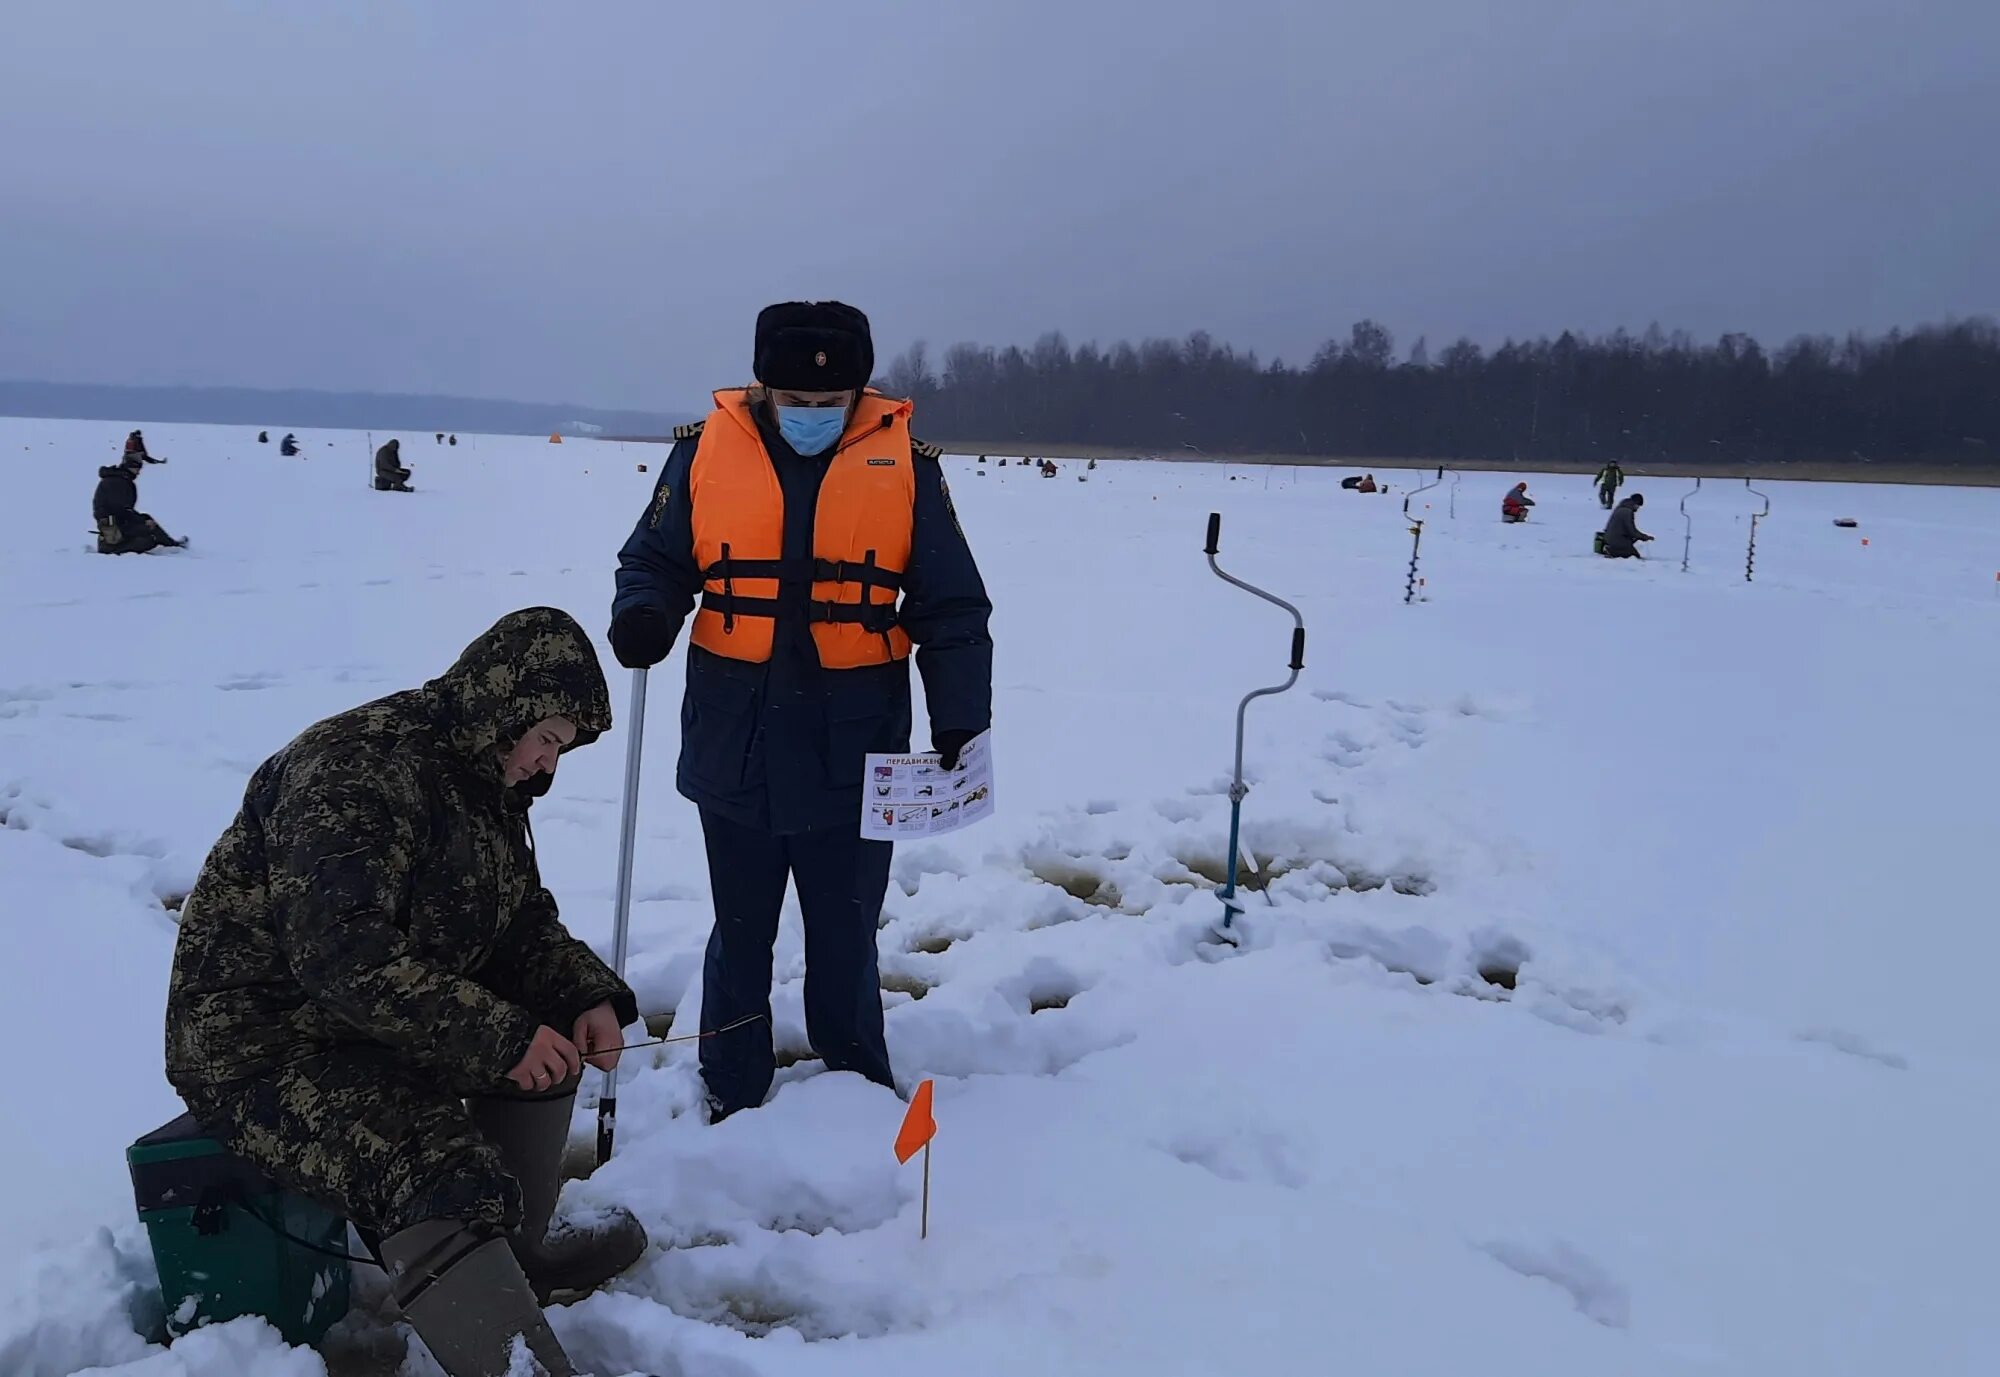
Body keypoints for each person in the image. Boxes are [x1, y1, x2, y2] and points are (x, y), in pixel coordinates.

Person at [165, 608, 645, 1377]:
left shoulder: (485, 781)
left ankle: (513, 1260)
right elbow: (341, 956)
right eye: (548, 739)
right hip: (264, 1044)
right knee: (430, 1160)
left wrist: (583, 993)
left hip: (368, 1024)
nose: (548, 765)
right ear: (505, 708)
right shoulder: (356, 770)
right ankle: (510, 1360)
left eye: (562, 748)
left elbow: (518, 923)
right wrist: (498, 1036)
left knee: (541, 1032)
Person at [609, 301, 993, 1121]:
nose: (813, 416)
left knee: (846, 928)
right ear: (762, 387)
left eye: (831, 403)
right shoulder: (700, 453)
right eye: (795, 401)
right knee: (741, 930)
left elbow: (952, 605)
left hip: (857, 739)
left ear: (859, 392)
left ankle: (853, 1077)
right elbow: (652, 556)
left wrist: (959, 714)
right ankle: (731, 1083)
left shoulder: (909, 465)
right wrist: (645, 610)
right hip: (734, 731)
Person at [93, 451, 185, 553]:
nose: (139, 472)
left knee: (146, 520)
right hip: (115, 524)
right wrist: (142, 521)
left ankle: (170, 545)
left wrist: (142, 520)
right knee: (149, 535)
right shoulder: (119, 482)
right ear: (129, 466)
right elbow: (122, 509)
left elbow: (124, 509)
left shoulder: (119, 479)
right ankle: (115, 549)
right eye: (137, 468)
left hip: (116, 522)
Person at [1600, 492, 1654, 558]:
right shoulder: (1627, 512)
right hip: (1616, 540)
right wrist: (1645, 537)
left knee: (1632, 550)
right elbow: (1632, 531)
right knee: (1634, 556)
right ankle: (1612, 551)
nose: (1638, 508)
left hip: (1609, 538)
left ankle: (1612, 549)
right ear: (1635, 503)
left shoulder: (1621, 508)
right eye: (1638, 505)